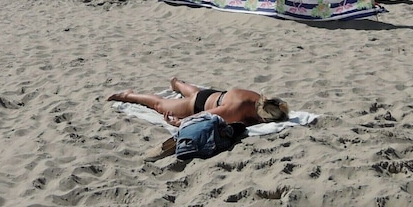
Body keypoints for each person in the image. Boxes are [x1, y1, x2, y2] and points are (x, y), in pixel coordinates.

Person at [108, 78, 289, 127]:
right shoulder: (235, 110)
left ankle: (177, 83)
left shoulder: (259, 97)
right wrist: (180, 122)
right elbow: (204, 116)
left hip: (213, 95)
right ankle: (128, 95)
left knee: (195, 93)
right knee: (160, 105)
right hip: (198, 105)